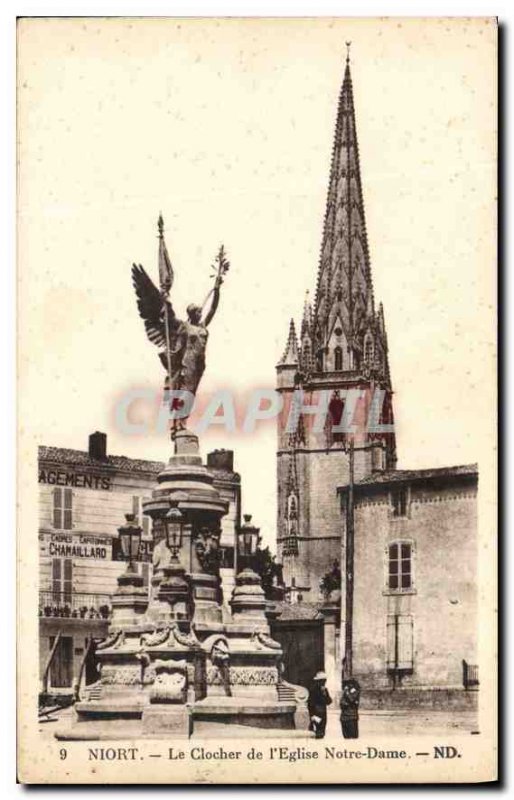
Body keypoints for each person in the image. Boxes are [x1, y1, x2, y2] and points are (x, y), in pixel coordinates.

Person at [308, 671, 332, 739]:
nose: (324, 682)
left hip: (323, 713)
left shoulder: (325, 690)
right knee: (316, 732)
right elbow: (310, 703)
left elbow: (329, 701)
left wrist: (325, 694)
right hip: (316, 713)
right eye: (322, 681)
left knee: (322, 732)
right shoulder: (313, 690)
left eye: (325, 681)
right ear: (318, 681)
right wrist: (312, 715)